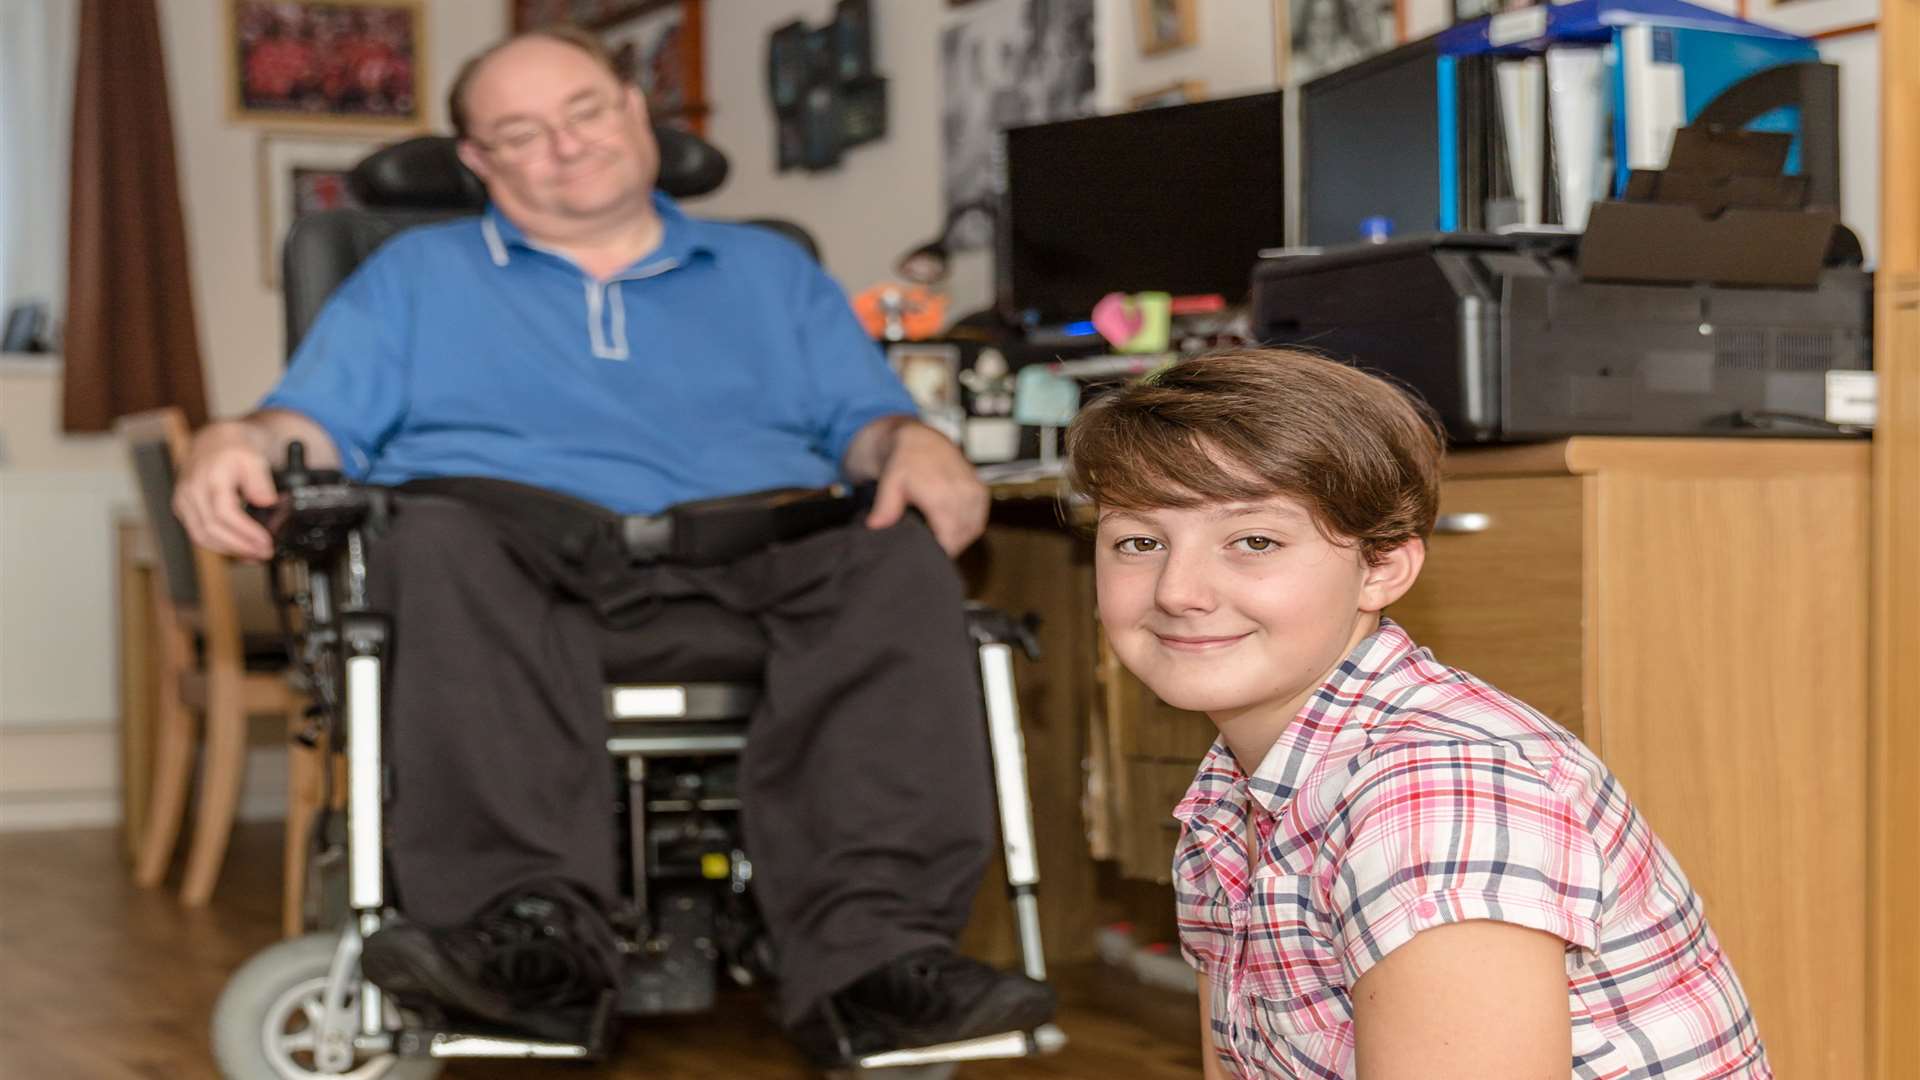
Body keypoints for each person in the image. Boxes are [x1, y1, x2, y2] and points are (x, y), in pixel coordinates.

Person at [173, 28, 1053, 1060]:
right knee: (431, 538)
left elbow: (865, 421)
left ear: (637, 112)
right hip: (516, 577)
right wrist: (238, 437)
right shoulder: (415, 275)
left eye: (586, 110)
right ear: (477, 161)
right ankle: (527, 940)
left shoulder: (770, 269)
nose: (567, 144)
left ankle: (877, 959)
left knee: (892, 547)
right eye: (521, 130)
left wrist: (912, 440)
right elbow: (307, 424)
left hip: (755, 564)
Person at [1064, 349, 1770, 1079]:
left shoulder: (1438, 792)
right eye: (1139, 542)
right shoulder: (1230, 789)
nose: (1178, 590)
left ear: (1383, 567)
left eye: (1254, 541)